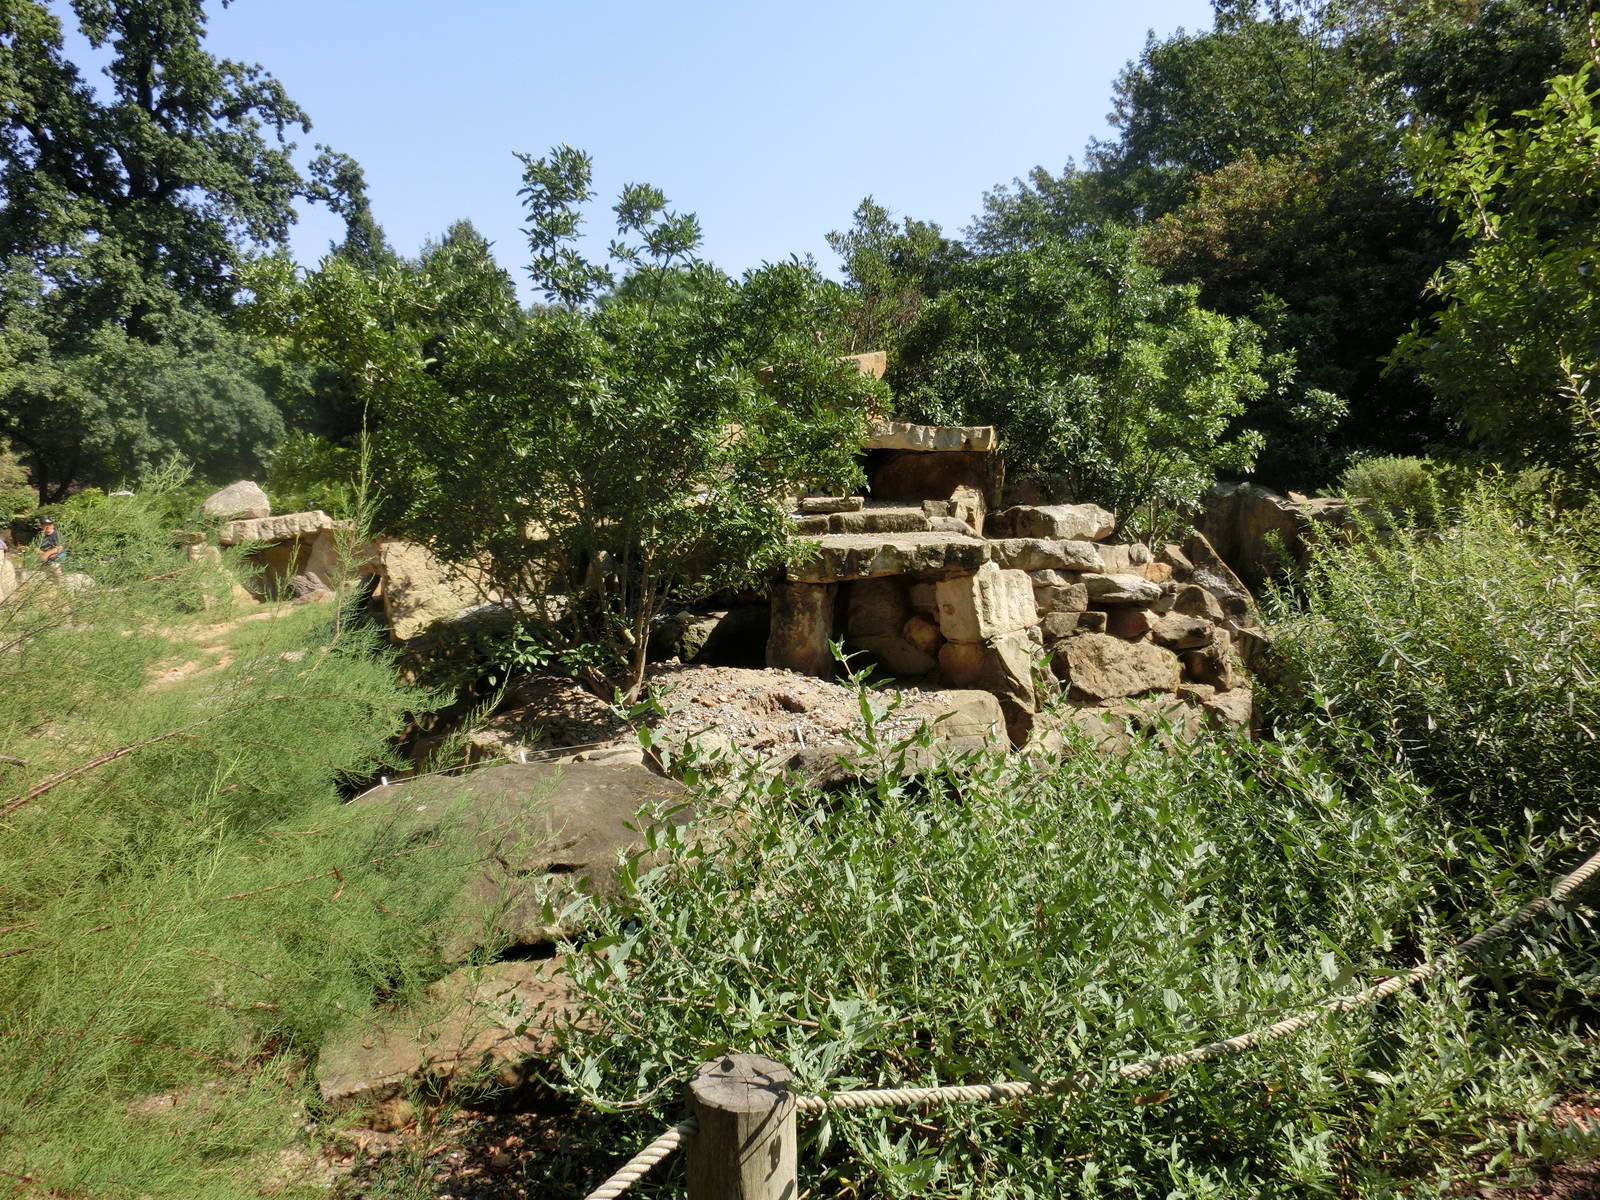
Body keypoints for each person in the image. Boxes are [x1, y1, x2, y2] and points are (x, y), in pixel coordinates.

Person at [36, 516, 64, 582]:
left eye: (49, 525)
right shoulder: (40, 535)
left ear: (53, 526)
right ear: (41, 526)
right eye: (45, 525)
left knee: (55, 567)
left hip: (57, 555)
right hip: (44, 556)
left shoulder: (57, 534)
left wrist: (47, 554)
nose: (47, 526)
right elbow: (36, 548)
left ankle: (60, 585)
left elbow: (60, 547)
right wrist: (43, 554)